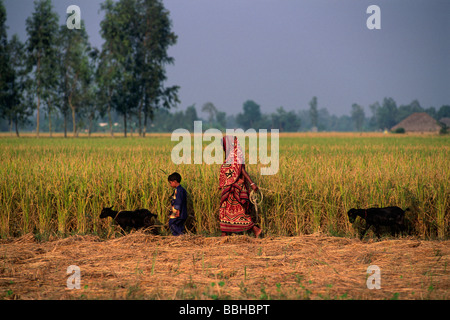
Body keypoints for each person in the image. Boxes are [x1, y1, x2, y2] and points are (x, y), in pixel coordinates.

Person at [218, 136, 262, 237]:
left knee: (238, 212)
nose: (223, 147)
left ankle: (255, 229)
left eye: (224, 145)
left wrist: (252, 183)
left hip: (235, 189)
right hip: (229, 188)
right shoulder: (231, 155)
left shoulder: (234, 156)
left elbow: (241, 169)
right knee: (225, 210)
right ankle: (224, 233)